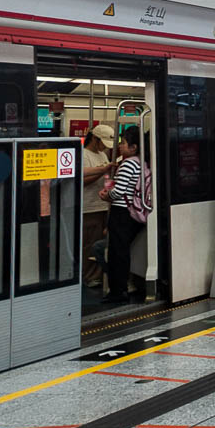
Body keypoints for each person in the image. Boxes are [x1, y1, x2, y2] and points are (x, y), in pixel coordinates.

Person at [105, 125, 149, 303]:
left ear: (133, 147)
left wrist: (106, 195)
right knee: (123, 251)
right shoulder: (142, 162)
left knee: (117, 252)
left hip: (121, 211)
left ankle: (118, 291)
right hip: (133, 212)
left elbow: (118, 191)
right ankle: (121, 288)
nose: (120, 146)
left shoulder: (128, 163)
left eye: (123, 143)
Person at [81, 124, 116, 298]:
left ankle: (99, 275)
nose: (105, 147)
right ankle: (89, 276)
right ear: (95, 139)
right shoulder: (83, 155)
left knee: (101, 243)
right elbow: (82, 181)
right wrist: (103, 171)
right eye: (103, 143)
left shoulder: (102, 154)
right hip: (89, 206)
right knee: (89, 244)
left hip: (103, 205)